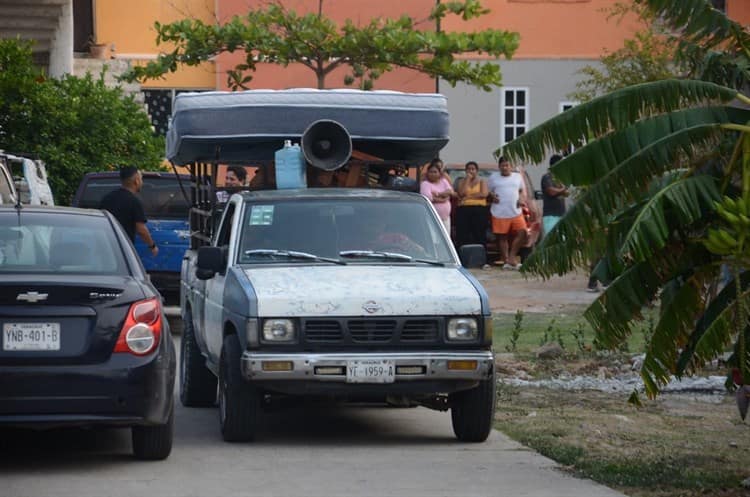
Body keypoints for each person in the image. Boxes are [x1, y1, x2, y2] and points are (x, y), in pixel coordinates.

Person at [100, 166, 158, 256]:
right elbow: (141, 229)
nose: (142, 182)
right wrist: (152, 246)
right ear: (136, 181)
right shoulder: (133, 201)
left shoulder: (107, 198)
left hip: (106, 247)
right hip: (123, 248)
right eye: (141, 179)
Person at [487, 156, 527, 269]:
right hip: (499, 211)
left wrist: (521, 199)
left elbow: (522, 191)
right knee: (502, 237)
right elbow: (488, 192)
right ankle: (506, 261)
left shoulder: (517, 177)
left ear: (511, 166)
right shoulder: (493, 178)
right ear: (499, 167)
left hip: (516, 211)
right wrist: (492, 196)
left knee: (522, 232)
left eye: (507, 165)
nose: (505, 168)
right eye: (503, 165)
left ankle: (512, 257)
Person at [455, 161, 488, 247]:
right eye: (469, 169)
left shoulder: (482, 181)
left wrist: (469, 197)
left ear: (477, 171)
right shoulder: (461, 181)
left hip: (478, 209)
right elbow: (461, 193)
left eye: (473, 169)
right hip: (464, 209)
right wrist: (467, 180)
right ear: (465, 171)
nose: (471, 171)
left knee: (479, 234)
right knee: (463, 234)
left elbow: (483, 194)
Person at [420, 159, 457, 232]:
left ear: (439, 173)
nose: (432, 174)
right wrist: (443, 199)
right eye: (431, 172)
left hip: (445, 218)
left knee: (446, 237)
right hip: (431, 218)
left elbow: (450, 192)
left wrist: (437, 194)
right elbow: (428, 198)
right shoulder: (425, 184)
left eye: (435, 172)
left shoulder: (444, 181)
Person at [541, 154, 568, 236]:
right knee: (552, 240)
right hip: (550, 216)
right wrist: (562, 189)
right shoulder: (547, 177)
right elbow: (551, 192)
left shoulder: (559, 178)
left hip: (561, 215)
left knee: (563, 241)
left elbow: (566, 193)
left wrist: (562, 190)